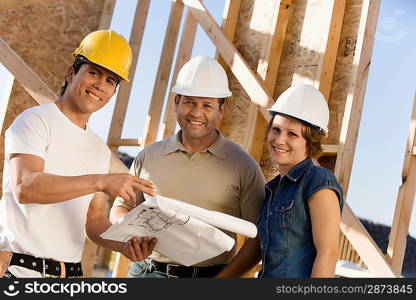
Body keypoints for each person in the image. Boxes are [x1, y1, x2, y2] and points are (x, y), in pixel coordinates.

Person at [0, 30, 157, 278]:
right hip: (21, 271)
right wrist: (102, 181)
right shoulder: (35, 121)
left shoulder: (98, 149)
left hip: (69, 276)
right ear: (71, 73)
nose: (100, 85)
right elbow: (25, 186)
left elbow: (93, 219)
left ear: (113, 92)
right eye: (94, 72)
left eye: (110, 80)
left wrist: (123, 245)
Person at [109, 56, 266, 278]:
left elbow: (258, 239)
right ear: (177, 103)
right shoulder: (149, 156)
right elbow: (120, 208)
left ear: (221, 111)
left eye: (207, 105)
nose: (196, 113)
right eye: (190, 102)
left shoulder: (243, 166)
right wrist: (131, 236)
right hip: (147, 273)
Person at [217, 84, 344, 278]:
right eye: (276, 130)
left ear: (309, 142)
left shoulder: (318, 181)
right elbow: (255, 249)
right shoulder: (273, 188)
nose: (279, 140)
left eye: (292, 134)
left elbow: (328, 254)